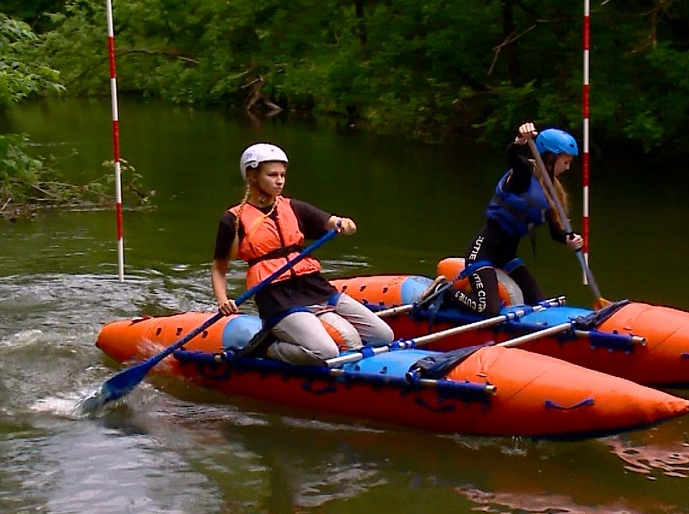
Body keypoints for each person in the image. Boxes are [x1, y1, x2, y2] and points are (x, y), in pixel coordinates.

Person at [211, 142, 394, 365]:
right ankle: (267, 347)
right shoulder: (233, 220)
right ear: (252, 176)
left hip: (313, 287)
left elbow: (336, 222)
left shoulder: (294, 207)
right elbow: (219, 268)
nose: (279, 180)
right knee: (325, 352)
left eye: (282, 175)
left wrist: (346, 224)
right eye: (272, 175)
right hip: (277, 297)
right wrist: (223, 300)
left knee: (383, 335)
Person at [429, 122, 583, 317]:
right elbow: (512, 157)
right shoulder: (524, 174)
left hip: (507, 256)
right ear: (550, 158)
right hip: (483, 252)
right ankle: (444, 290)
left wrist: (568, 239)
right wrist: (520, 140)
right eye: (566, 162)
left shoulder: (552, 192)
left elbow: (555, 231)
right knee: (489, 309)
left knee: (540, 303)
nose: (568, 168)